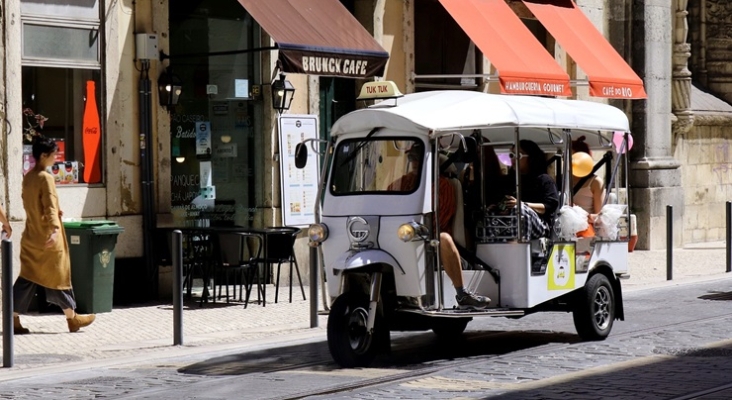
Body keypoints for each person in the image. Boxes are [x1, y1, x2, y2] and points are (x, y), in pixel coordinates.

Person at [390, 142, 490, 309]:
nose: (414, 163)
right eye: (412, 158)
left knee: (443, 237)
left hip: (434, 243)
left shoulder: (443, 185)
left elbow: (439, 222)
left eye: (419, 159)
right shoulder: (402, 182)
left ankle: (461, 293)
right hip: (403, 237)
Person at [13, 136, 96, 334]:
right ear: (43, 156)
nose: (56, 158)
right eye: (53, 154)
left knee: (27, 279)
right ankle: (72, 319)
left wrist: (51, 214)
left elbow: (31, 204)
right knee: (58, 277)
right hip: (48, 238)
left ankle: (12, 319)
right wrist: (55, 228)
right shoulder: (46, 177)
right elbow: (49, 205)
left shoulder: (29, 177)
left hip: (31, 236)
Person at [503, 140, 559, 240]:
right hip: (510, 222)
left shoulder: (544, 179)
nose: (514, 159)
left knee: (519, 211)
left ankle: (518, 249)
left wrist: (522, 204)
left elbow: (550, 206)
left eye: (518, 155)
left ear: (531, 157)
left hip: (540, 225)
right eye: (512, 155)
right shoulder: (509, 180)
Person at [571, 136, 604, 216]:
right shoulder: (562, 179)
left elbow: (599, 215)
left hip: (586, 226)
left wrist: (579, 212)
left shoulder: (595, 182)